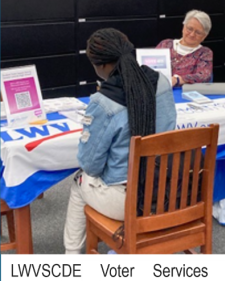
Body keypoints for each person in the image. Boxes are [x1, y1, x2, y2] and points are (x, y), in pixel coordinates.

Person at [64, 28, 177, 255]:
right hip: (168, 190)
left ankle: (72, 257)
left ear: (102, 66)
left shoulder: (103, 103)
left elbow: (91, 165)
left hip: (130, 200)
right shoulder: (162, 82)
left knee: (78, 181)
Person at [156, 10, 213, 86]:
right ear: (183, 26)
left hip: (185, 93)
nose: (192, 34)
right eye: (189, 29)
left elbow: (204, 76)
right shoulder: (165, 44)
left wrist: (178, 80)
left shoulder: (205, 53)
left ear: (204, 36)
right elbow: (149, 67)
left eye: (198, 32)